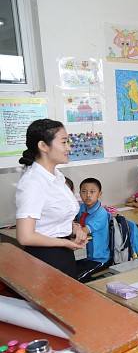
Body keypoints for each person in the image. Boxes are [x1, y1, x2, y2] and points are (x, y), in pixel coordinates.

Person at [15, 119, 87, 278]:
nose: (68, 147)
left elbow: (53, 215)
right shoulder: (32, 183)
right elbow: (25, 236)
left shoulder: (56, 177)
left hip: (63, 254)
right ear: (43, 146)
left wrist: (75, 229)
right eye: (64, 142)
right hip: (44, 259)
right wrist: (64, 242)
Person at [75, 178, 111, 283]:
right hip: (83, 255)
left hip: (98, 258)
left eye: (92, 192)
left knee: (76, 279)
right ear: (79, 193)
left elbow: (84, 231)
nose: (88, 195)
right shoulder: (81, 207)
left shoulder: (101, 213)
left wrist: (74, 228)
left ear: (99, 194)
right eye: (84, 191)